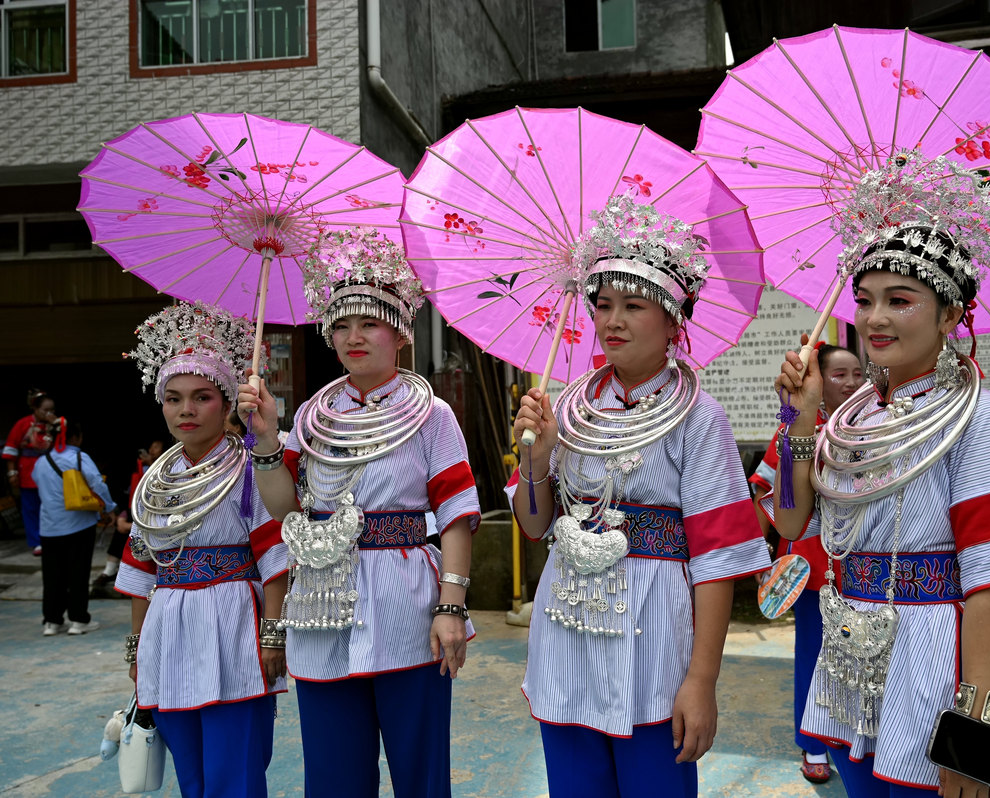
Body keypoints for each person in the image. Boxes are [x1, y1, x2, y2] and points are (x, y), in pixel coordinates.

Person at [770, 152, 990, 797]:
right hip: (853, 655)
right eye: (865, 300)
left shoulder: (984, 416)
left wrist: (976, 738)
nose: (875, 319)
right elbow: (790, 521)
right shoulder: (856, 415)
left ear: (951, 316)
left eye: (900, 300)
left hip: (939, 660)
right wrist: (803, 415)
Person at [509, 195, 772, 798]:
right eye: (602, 305)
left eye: (633, 306)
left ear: (674, 322)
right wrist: (538, 458)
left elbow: (717, 561)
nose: (612, 321)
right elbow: (531, 525)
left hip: (654, 639)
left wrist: (701, 680)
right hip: (568, 628)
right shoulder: (566, 410)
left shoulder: (699, 416)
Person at [238, 227, 479, 798]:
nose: (353, 336)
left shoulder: (432, 413)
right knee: (333, 775)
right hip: (321, 605)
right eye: (341, 324)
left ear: (398, 331)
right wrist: (269, 437)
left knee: (420, 773)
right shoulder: (312, 416)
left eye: (368, 322)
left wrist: (451, 605)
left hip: (408, 605)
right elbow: (283, 506)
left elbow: (457, 516)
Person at [114, 303, 287, 798]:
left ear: (229, 402)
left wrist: (272, 637)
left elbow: (276, 560)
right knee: (190, 774)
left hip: (234, 624)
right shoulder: (155, 480)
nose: (184, 410)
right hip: (168, 630)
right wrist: (137, 649)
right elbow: (141, 569)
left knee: (236, 773)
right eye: (172, 398)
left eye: (201, 397)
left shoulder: (252, 470)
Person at [749, 343, 863, 785]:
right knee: (813, 657)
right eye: (839, 374)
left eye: (857, 373)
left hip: (860, 572)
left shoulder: (871, 429)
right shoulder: (793, 432)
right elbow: (765, 491)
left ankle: (853, 735)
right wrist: (757, 555)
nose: (852, 382)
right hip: (809, 573)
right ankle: (813, 742)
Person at [31, 419, 116, 635]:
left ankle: (52, 621)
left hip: (49, 526)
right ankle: (78, 620)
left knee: (52, 575)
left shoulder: (41, 462)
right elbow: (97, 483)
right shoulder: (78, 457)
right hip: (78, 523)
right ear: (76, 437)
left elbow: (36, 483)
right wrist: (108, 507)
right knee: (77, 572)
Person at [93, 440, 164, 596]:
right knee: (122, 529)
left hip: (158, 513)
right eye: (150, 446)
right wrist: (123, 517)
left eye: (156, 447)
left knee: (130, 531)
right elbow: (132, 498)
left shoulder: (166, 467)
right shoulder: (138, 468)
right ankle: (109, 570)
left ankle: (115, 572)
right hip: (136, 510)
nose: (152, 450)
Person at [5, 389, 62, 555]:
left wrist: (56, 425)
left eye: (52, 409)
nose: (49, 413)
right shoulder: (22, 424)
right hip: (28, 470)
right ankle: (36, 542)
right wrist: (12, 473)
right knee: (30, 507)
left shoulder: (57, 424)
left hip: (51, 469)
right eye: (45, 410)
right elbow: (11, 448)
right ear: (35, 409)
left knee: (52, 504)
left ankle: (53, 538)